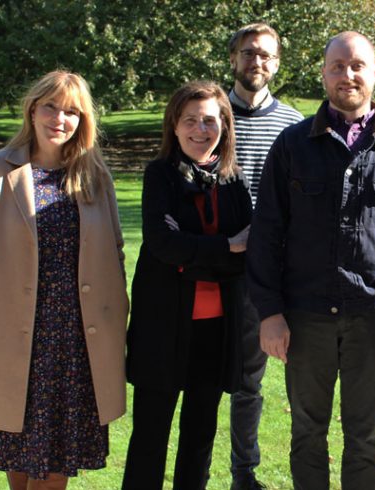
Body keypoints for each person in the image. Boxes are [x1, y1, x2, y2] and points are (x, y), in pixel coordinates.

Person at [246, 31, 375, 490]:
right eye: (337, 66)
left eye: (357, 66)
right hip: (306, 316)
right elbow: (266, 236)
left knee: (365, 438)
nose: (347, 75)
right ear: (324, 72)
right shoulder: (292, 146)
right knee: (306, 434)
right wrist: (269, 314)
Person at [0, 70, 128, 490]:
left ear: (82, 120)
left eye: (71, 111)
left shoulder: (95, 177)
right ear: (32, 110)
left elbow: (115, 252)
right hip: (12, 339)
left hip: (74, 345)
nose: (59, 119)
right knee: (16, 452)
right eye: (50, 106)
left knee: (54, 465)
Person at [122, 80, 253, 490]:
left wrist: (195, 253)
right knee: (150, 433)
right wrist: (226, 247)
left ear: (225, 126)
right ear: (174, 127)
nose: (201, 129)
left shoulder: (235, 181)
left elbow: (248, 252)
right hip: (163, 325)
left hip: (217, 329)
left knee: (200, 435)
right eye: (190, 120)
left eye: (210, 120)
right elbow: (163, 244)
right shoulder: (159, 175)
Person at [225, 22, 304, 490]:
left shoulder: (293, 123)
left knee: (255, 381)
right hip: (220, 266)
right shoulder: (211, 114)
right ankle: (240, 472)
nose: (258, 62)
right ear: (234, 57)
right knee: (232, 379)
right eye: (249, 53)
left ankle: (244, 474)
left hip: (277, 271)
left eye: (267, 56)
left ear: (277, 64)